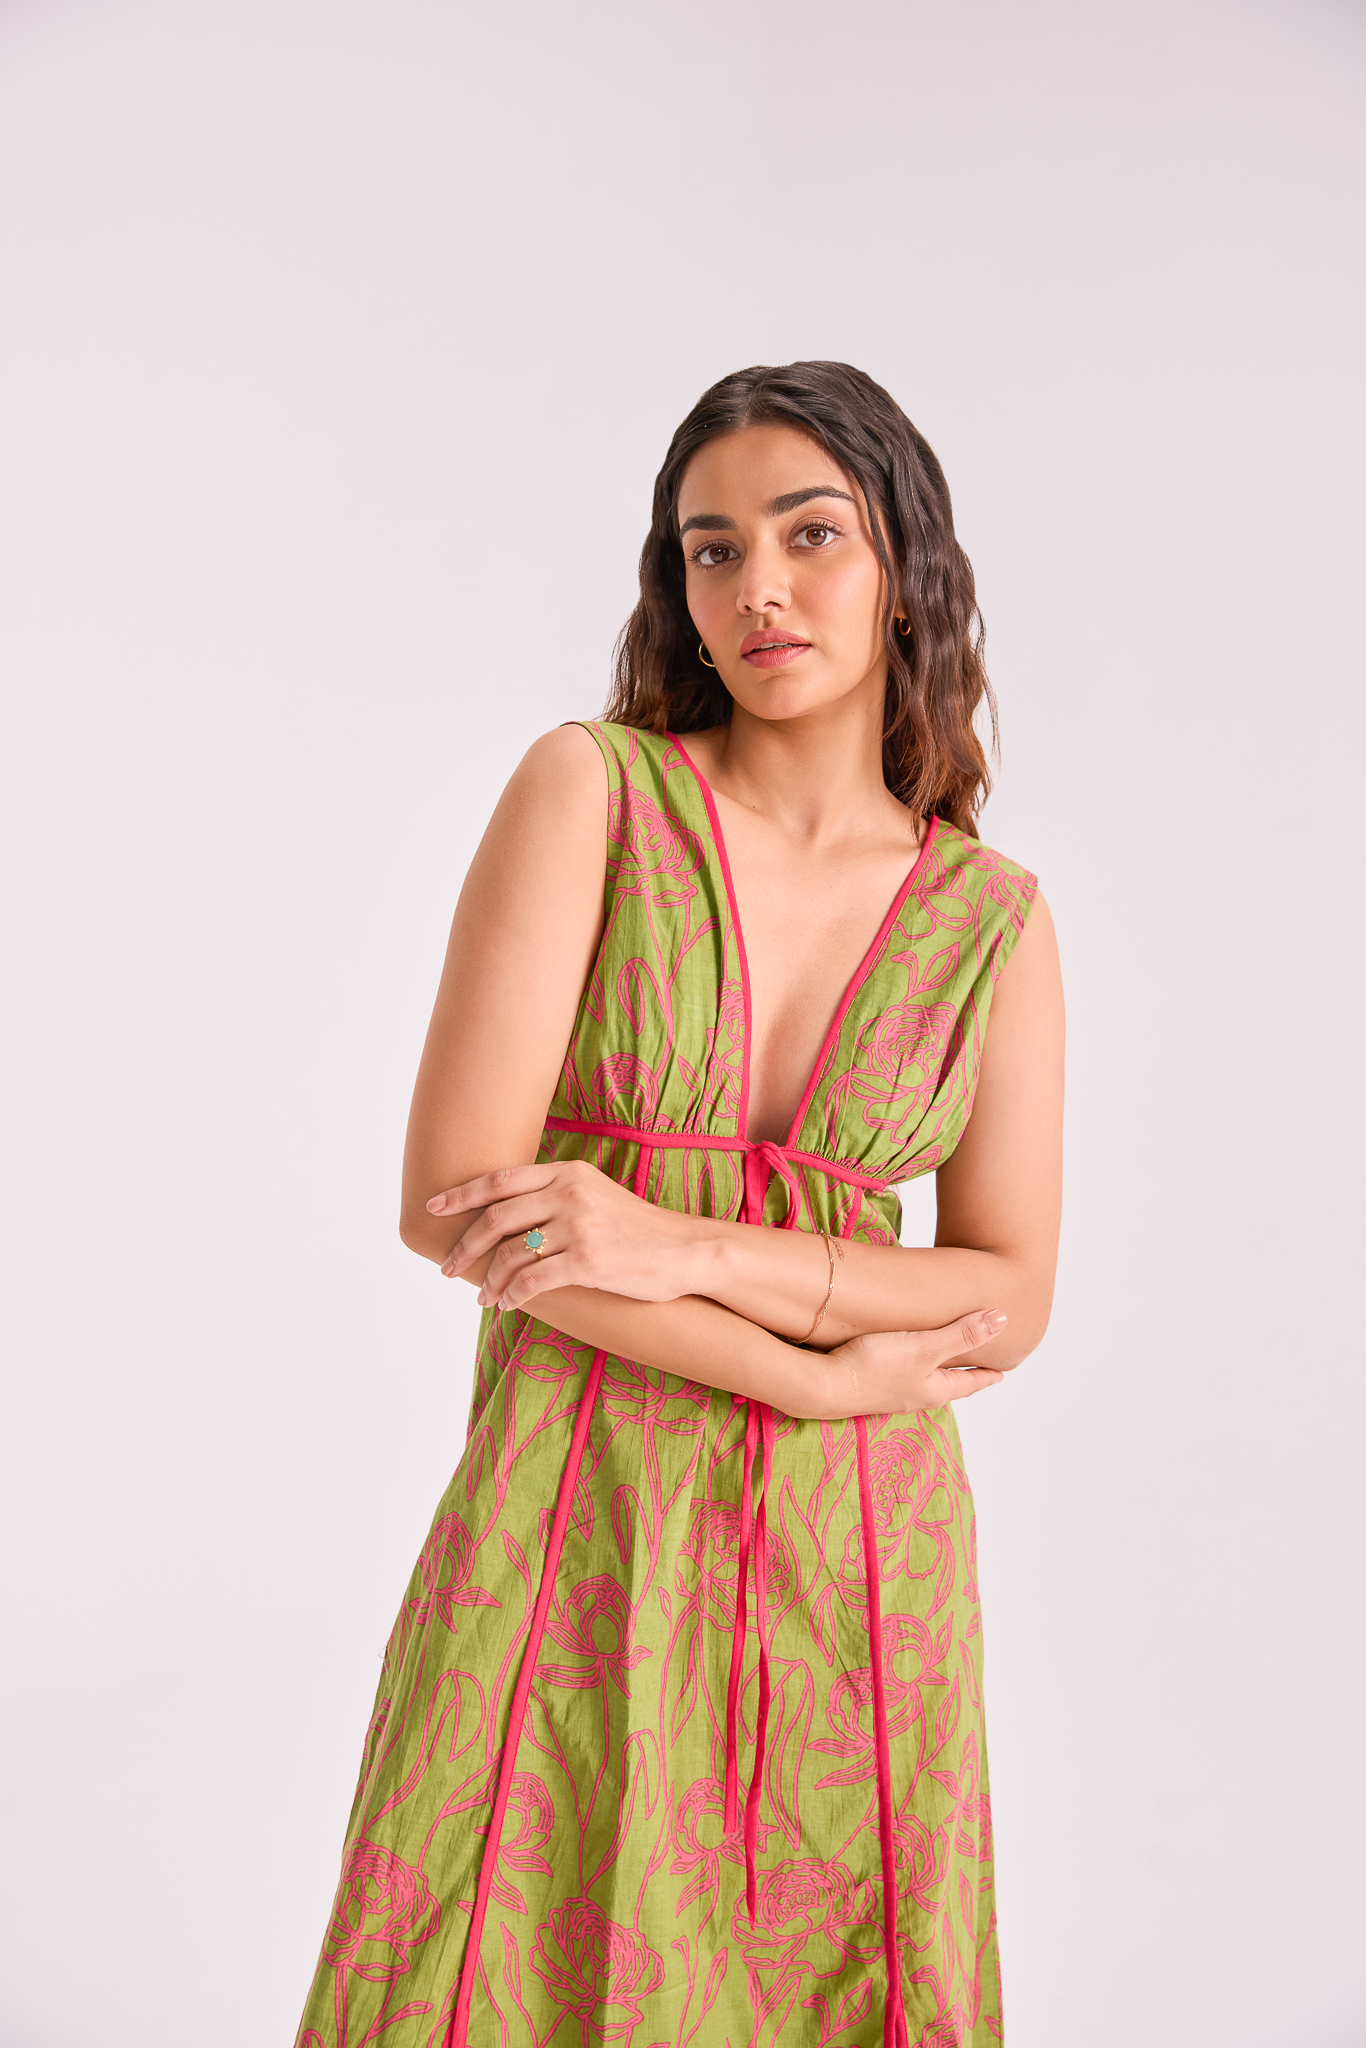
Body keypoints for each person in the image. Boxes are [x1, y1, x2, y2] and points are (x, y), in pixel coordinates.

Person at [295, 360, 1065, 2048]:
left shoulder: (991, 919)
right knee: (485, 1956)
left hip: (859, 1560)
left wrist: (678, 1244)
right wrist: (810, 1375)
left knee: (833, 1977)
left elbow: (1005, 1290)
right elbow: (453, 1205)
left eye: (809, 535)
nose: (757, 587)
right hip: (573, 1506)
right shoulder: (590, 790)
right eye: (711, 550)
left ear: (906, 566)